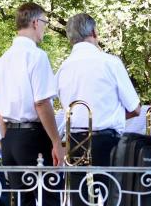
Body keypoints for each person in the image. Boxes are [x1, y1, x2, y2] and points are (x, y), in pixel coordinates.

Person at [56, 13, 140, 166]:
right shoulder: (111, 63)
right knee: (108, 181)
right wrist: (111, 115)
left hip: (74, 142)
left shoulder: (63, 68)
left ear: (70, 38)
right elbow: (135, 109)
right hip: (106, 142)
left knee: (77, 182)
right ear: (94, 32)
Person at [0, 2, 63, 168]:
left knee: (17, 186)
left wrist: (6, 139)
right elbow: (41, 102)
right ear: (35, 23)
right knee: (45, 185)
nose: (45, 29)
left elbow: (0, 112)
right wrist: (56, 141)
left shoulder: (2, 60)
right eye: (45, 23)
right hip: (33, 137)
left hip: (9, 138)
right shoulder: (37, 56)